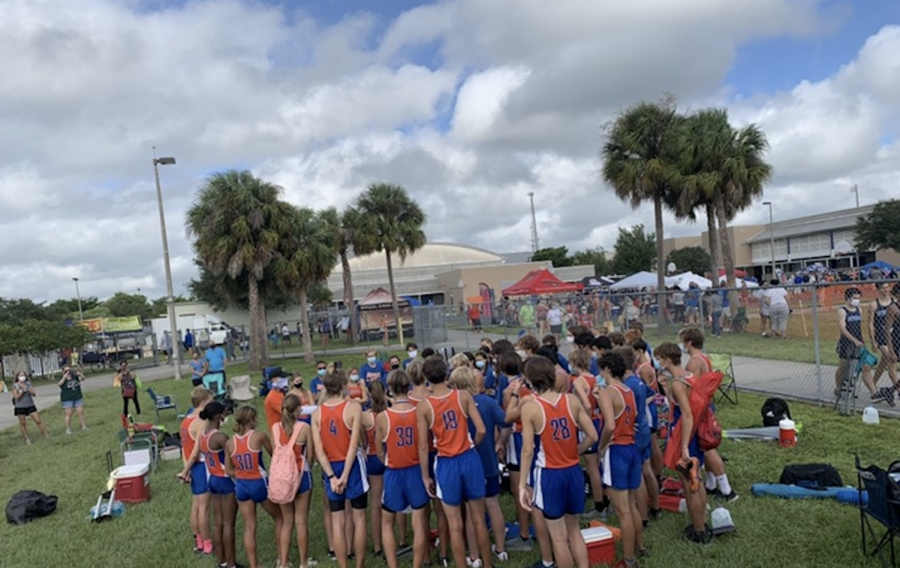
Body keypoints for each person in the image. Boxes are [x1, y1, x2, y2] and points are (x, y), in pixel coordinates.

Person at [518, 356, 596, 568]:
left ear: (531, 381)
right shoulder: (570, 400)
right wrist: (575, 451)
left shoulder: (531, 408)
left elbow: (527, 450)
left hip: (550, 473)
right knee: (575, 531)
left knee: (559, 538)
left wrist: (521, 484)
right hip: (573, 470)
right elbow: (592, 435)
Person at [417, 357, 492, 568]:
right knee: (478, 518)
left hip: (446, 462)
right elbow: (482, 429)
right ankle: (487, 564)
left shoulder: (424, 407)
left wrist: (425, 476)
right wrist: (472, 446)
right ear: (446, 373)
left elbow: (423, 446)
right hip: (468, 457)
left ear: (427, 378)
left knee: (455, 524)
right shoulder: (463, 395)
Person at [451, 365, 510, 564]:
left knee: (470, 511)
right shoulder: (488, 402)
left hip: (467, 463)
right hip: (489, 461)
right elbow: (506, 422)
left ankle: (474, 554)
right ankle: (501, 549)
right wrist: (500, 442)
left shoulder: (456, 405)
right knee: (493, 505)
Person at [655, 342, 710, 545]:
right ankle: (701, 521)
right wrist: (664, 387)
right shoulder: (687, 377)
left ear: (668, 360)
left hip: (685, 438)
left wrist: (684, 446)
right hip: (693, 436)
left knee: (690, 484)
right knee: (697, 481)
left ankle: (699, 532)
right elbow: (678, 405)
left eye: (659, 358)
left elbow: (686, 415)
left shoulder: (678, 383)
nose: (658, 362)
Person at [312, 369, 368, 568]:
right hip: (350, 465)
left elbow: (319, 451)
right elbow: (354, 446)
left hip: (332, 466)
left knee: (338, 520)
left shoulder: (317, 413)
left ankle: (343, 565)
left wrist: (332, 477)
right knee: (359, 517)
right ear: (344, 386)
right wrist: (344, 475)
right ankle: (359, 564)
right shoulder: (353, 408)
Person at [595, 352, 646, 567]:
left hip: (616, 450)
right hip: (632, 448)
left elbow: (609, 426)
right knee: (631, 504)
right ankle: (639, 546)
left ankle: (628, 559)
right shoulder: (628, 390)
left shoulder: (608, 392)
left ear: (606, 369)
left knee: (622, 510)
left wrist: (601, 446)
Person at [377, 369, 430, 568]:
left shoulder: (383, 417)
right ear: (408, 386)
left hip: (394, 471)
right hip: (415, 469)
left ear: (390, 388)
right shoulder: (419, 412)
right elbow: (424, 444)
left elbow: (380, 451)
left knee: (387, 523)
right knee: (419, 523)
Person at [680, 327, 737, 502]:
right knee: (706, 446)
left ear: (689, 342)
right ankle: (711, 483)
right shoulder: (703, 358)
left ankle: (727, 490)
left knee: (709, 448)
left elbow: (692, 388)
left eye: (683, 341)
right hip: (707, 405)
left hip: (700, 409)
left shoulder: (693, 363)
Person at [226, 406, 283, 568]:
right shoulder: (259, 436)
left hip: (242, 486)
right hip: (259, 482)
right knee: (279, 518)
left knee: (249, 526)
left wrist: (242, 473)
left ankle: (254, 565)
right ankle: (281, 558)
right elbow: (275, 454)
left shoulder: (230, 443)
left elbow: (228, 470)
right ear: (252, 420)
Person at [186, 401, 238, 568]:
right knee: (229, 523)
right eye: (224, 413)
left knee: (218, 522)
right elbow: (233, 457)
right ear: (218, 416)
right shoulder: (220, 437)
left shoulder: (203, 435)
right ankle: (231, 563)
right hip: (225, 479)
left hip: (212, 479)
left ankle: (221, 561)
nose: (226, 415)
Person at [274, 394, 315, 568]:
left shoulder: (275, 428)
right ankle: (303, 562)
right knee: (301, 521)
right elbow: (311, 455)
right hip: (301, 474)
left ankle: (283, 562)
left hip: (281, 478)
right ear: (299, 409)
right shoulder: (304, 428)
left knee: (286, 521)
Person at [568, 349, 606, 521]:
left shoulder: (578, 381)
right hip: (598, 421)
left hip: (587, 424)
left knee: (591, 467)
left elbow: (586, 404)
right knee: (598, 463)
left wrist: (582, 421)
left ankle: (599, 505)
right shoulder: (595, 378)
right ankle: (605, 499)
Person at [179, 387, 215, 556]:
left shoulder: (185, 421)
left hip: (192, 467)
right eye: (210, 401)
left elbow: (184, 448)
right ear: (203, 403)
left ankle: (198, 541)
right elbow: (195, 451)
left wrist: (186, 467)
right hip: (200, 466)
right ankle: (208, 544)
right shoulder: (202, 422)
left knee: (195, 506)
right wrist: (185, 471)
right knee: (204, 508)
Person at [835, 287, 881, 402]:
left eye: (859, 298)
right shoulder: (842, 311)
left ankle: (874, 393)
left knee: (866, 366)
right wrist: (853, 340)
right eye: (855, 298)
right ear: (848, 298)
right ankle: (839, 387)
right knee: (844, 367)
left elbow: (859, 328)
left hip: (859, 343)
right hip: (847, 344)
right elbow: (842, 328)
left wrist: (862, 341)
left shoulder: (859, 310)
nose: (857, 300)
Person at [363, 381, 388, 557]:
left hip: (373, 456)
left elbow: (363, 441)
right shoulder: (390, 412)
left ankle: (378, 545)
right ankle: (400, 538)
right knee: (392, 500)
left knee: (375, 503)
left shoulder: (365, 416)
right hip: (390, 456)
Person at [868, 282, 899, 402]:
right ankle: (896, 391)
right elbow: (870, 324)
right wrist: (873, 340)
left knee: (884, 362)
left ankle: (873, 383)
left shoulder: (894, 303)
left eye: (887, 287)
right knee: (891, 361)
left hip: (895, 337)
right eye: (882, 288)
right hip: (882, 337)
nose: (885, 290)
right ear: (878, 289)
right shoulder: (874, 305)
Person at [12, 371, 49, 444]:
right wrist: (22, 390)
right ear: (17, 377)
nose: (22, 377)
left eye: (23, 375)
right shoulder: (15, 385)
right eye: (20, 375)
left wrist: (28, 390)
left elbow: (34, 394)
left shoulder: (28, 384)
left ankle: (46, 435)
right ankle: (27, 439)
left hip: (30, 404)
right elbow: (16, 397)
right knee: (23, 423)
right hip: (20, 406)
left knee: (38, 420)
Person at [59, 365, 88, 434]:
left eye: (69, 370)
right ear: (63, 372)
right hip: (67, 399)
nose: (68, 372)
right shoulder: (63, 378)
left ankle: (83, 426)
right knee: (68, 414)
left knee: (80, 412)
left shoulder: (75, 376)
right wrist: (64, 377)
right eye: (66, 371)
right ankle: (68, 429)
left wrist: (80, 374)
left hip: (77, 397)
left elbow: (83, 379)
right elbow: (59, 384)